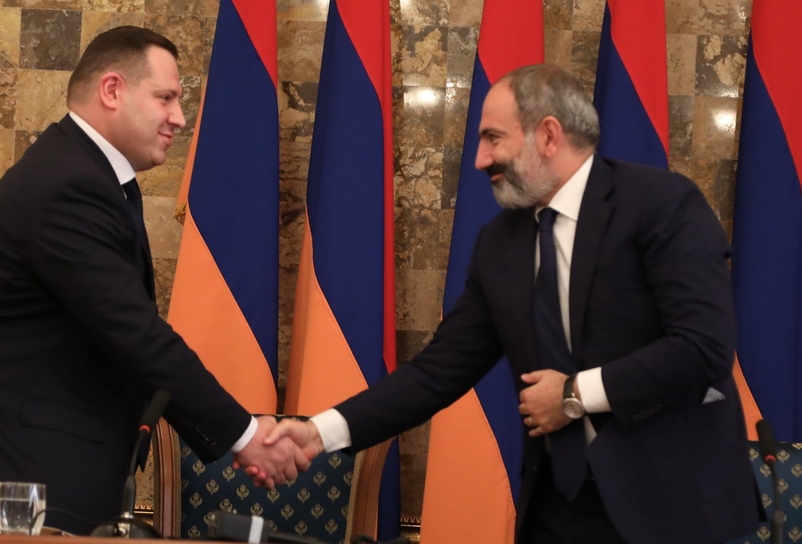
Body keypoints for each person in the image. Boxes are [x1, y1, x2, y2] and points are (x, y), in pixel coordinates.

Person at [262, 64, 760, 544]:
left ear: (549, 135)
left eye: (493, 138)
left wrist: (574, 394)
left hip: (668, 507)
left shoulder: (660, 203)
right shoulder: (500, 244)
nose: (481, 160)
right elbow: (439, 371)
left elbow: (703, 347)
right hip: (556, 507)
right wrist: (319, 432)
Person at [0, 26, 305, 535]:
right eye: (165, 97)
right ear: (112, 90)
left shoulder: (87, 175)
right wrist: (245, 435)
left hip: (22, 477)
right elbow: (136, 334)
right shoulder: (70, 186)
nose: (179, 117)